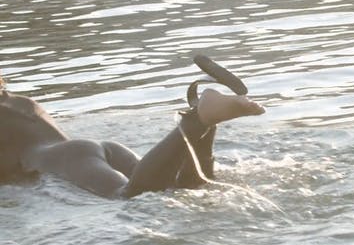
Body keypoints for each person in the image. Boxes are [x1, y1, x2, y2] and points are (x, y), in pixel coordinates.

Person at [0, 56, 265, 198]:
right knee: (181, 188)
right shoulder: (17, 102)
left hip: (65, 161)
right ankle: (206, 121)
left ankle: (197, 120)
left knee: (131, 196)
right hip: (97, 150)